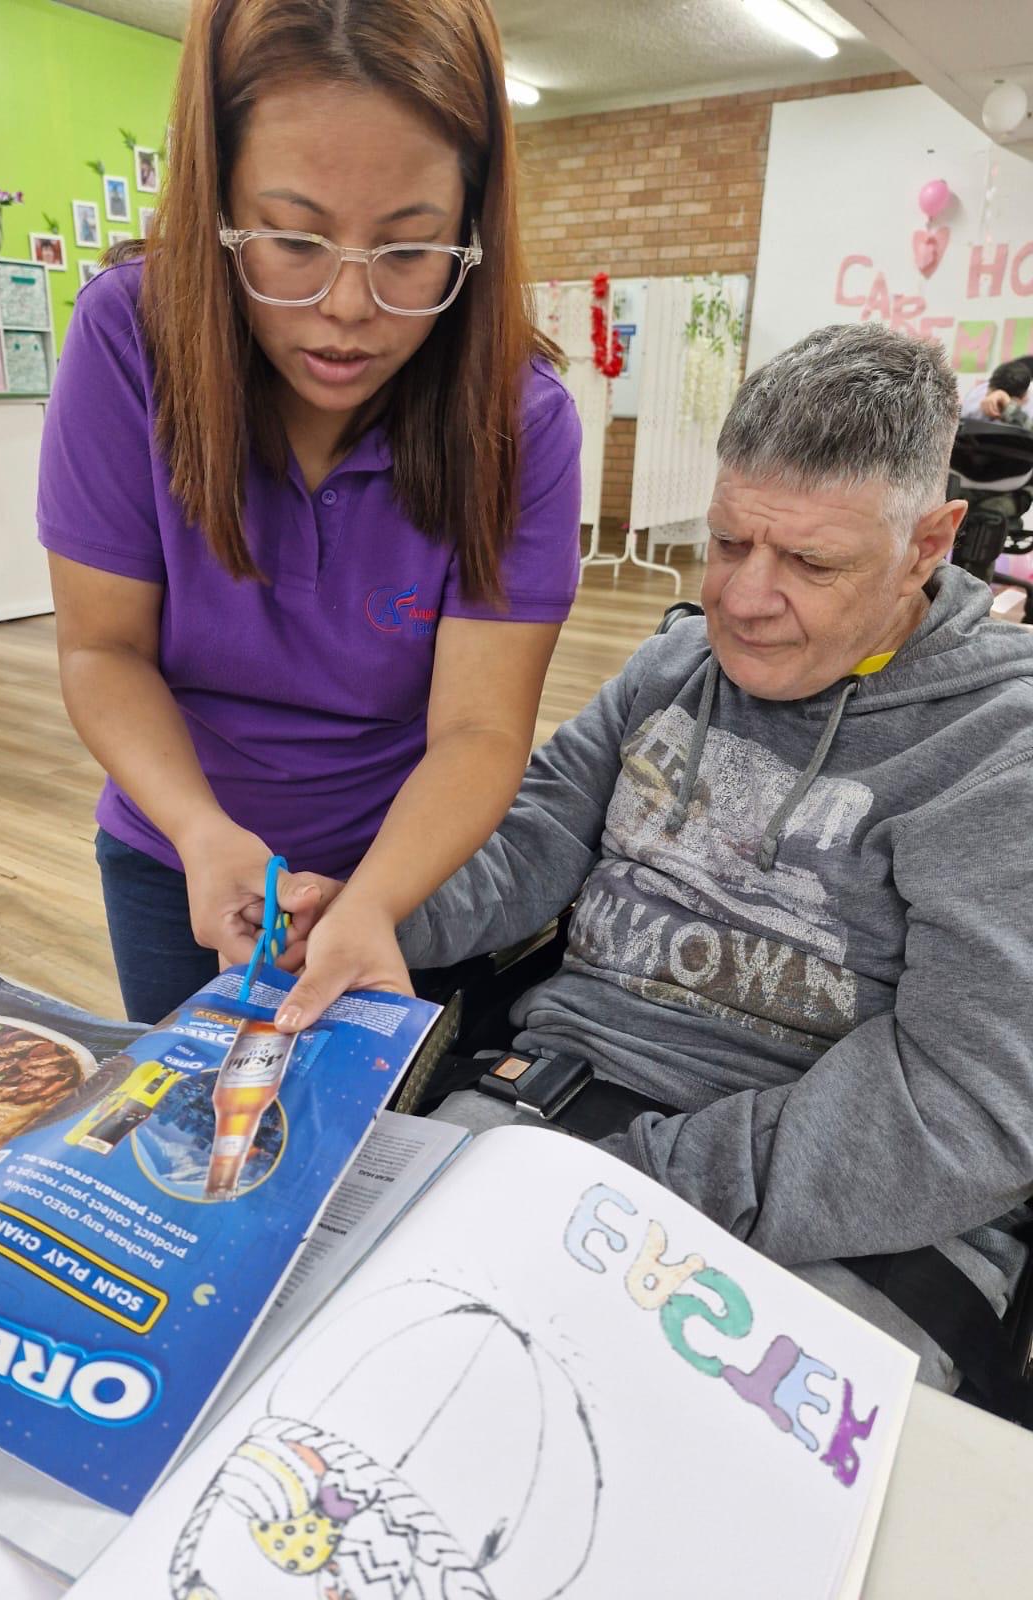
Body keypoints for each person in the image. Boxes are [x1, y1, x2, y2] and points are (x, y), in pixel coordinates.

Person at [395, 322, 1033, 1387]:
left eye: (811, 562)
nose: (740, 598)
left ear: (930, 543)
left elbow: (958, 1107)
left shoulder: (1002, 746)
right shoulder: (673, 665)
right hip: (552, 1107)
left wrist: (633, 1187)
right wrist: (372, 907)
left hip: (850, 1218)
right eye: (729, 542)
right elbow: (529, 839)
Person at [37, 0, 582, 1028]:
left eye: (410, 250)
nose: (347, 308)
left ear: (471, 232)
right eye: (292, 239)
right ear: (217, 204)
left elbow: (479, 727)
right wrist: (200, 830)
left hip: (407, 867)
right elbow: (103, 649)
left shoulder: (520, 419)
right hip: (178, 854)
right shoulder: (127, 338)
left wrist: (374, 900)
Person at [961, 358, 1033, 426]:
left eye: (1000, 404)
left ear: (1023, 398)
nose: (993, 408)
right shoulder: (975, 398)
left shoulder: (1030, 407)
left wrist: (1009, 407)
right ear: (989, 387)